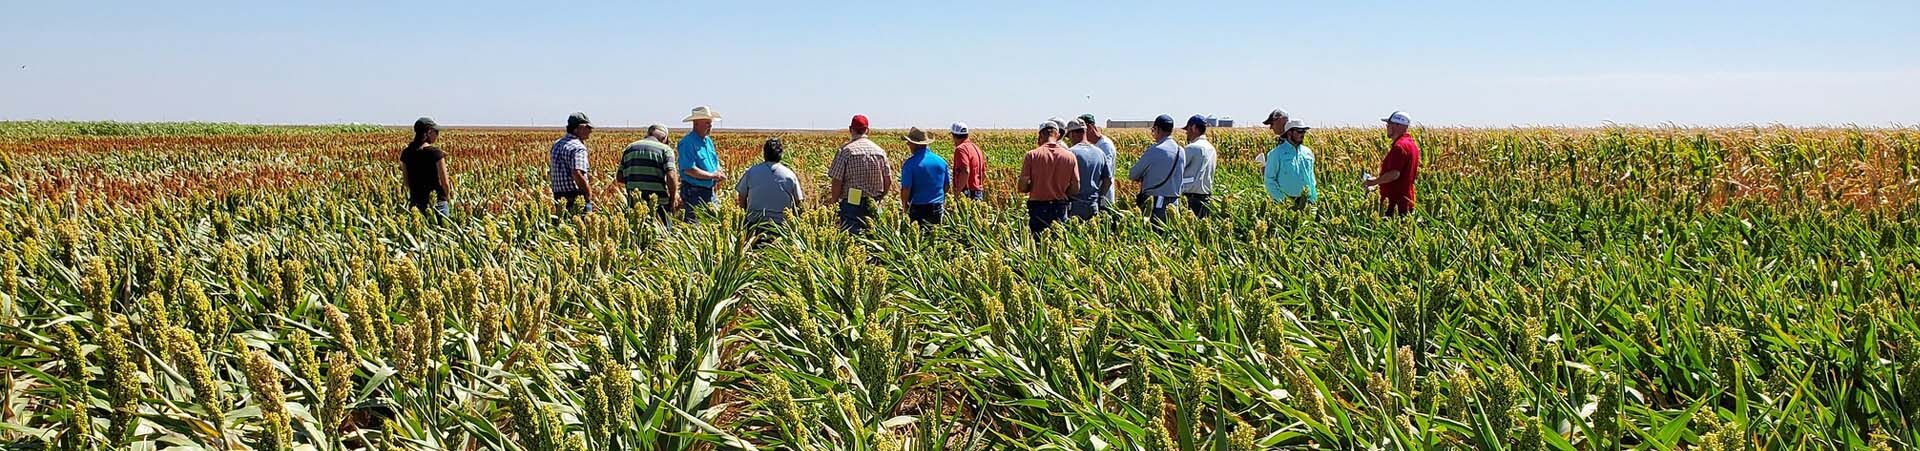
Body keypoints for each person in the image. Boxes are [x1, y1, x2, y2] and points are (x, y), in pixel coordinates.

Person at [828, 115, 892, 234]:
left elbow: (837, 180)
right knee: (873, 236)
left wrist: (834, 201)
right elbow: (888, 180)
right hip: (873, 199)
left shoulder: (846, 151)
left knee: (852, 236)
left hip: (852, 200)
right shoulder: (879, 151)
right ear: (867, 130)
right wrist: (880, 197)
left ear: (851, 129)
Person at [1018, 120, 1079, 236]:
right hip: (1060, 207)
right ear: (1058, 135)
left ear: (1041, 135)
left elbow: (1022, 186)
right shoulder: (1070, 156)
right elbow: (1076, 187)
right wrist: (1060, 191)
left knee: (1038, 245)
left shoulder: (1032, 155)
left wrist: (1034, 187)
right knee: (1059, 245)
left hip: (1038, 208)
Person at [736, 138, 805, 230]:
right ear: (781, 154)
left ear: (764, 154)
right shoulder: (789, 175)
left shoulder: (751, 172)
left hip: (755, 223)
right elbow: (799, 202)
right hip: (781, 225)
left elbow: (741, 196)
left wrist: (744, 217)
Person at [619, 124, 680, 227]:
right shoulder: (665, 150)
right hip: (659, 205)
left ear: (648, 134)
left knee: (637, 236)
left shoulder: (629, 148)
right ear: (664, 138)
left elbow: (619, 177)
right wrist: (673, 198)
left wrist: (636, 182)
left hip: (634, 204)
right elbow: (671, 175)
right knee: (661, 238)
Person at [1127, 115, 1184, 223]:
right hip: (1175, 204)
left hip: (1157, 205)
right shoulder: (1181, 151)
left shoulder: (1155, 149)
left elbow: (1133, 174)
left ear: (1157, 129)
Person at [1363, 111, 1420, 216]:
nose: (1387, 127)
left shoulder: (1399, 147)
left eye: (1388, 124)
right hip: (1406, 200)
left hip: (1395, 203)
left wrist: (1374, 181)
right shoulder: (1411, 145)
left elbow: (1394, 174)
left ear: (1397, 126)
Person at [677, 106, 728, 221]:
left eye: (710, 123)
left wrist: (718, 171)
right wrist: (712, 176)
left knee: (712, 224)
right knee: (695, 227)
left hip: (709, 192)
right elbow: (689, 169)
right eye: (707, 123)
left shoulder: (708, 141)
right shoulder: (687, 143)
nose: (710, 126)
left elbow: (714, 162)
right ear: (696, 124)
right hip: (694, 193)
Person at [399, 117, 452, 216]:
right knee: (442, 230)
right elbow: (445, 182)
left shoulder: (406, 153)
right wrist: (446, 198)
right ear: (429, 132)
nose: (437, 135)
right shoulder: (436, 153)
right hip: (437, 203)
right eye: (436, 132)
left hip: (416, 203)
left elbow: (406, 182)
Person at [899, 127, 950, 226]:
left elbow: (906, 189)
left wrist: (905, 206)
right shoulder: (941, 161)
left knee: (921, 238)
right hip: (937, 207)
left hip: (918, 208)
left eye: (910, 142)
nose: (908, 144)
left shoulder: (909, 164)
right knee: (935, 236)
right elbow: (947, 186)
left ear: (916, 144)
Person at [1263, 119, 1317, 210]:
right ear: (1289, 133)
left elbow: (1311, 178)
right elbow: (1269, 180)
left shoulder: (1307, 152)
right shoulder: (1276, 153)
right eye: (1299, 131)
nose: (1302, 134)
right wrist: (1282, 201)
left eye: (1304, 131)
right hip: (1285, 202)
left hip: (1307, 201)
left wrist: (1313, 198)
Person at [1064, 120, 1111, 220]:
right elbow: (1108, 180)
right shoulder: (1100, 153)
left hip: (1074, 205)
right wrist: (1100, 196)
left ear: (1072, 134)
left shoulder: (1070, 153)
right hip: (1093, 205)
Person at [549, 112, 594, 213]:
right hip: (575, 197)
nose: (590, 131)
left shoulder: (557, 144)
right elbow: (576, 172)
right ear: (580, 127)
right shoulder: (578, 147)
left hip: (558, 196)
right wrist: (587, 193)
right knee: (583, 227)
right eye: (588, 127)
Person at [1178, 115, 1218, 219]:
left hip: (1191, 199)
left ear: (1194, 128)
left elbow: (1177, 169)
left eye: (1188, 129)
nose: (1186, 133)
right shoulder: (1211, 148)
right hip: (1206, 198)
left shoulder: (1192, 147)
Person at [1078, 114, 1119, 211]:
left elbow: (1105, 174)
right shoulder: (1095, 144)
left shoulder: (1105, 146)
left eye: (1081, 131)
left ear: (1089, 127)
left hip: (1103, 198)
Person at [948, 122, 986, 201]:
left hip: (967, 193)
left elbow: (965, 171)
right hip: (978, 191)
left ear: (954, 135)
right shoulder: (976, 148)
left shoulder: (961, 149)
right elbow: (983, 172)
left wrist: (958, 192)